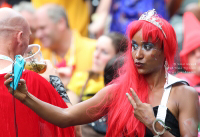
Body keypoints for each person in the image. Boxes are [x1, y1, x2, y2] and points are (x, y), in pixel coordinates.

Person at [4, 9, 199, 137]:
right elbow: (66, 118)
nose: (138, 54)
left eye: (147, 47)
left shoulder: (184, 94)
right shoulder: (118, 90)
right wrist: (26, 97)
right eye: (134, 46)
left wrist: (153, 124)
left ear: (165, 51)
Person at [0, 8, 74, 137]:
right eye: (30, 37)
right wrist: (54, 80)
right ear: (20, 37)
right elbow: (73, 128)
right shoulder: (30, 82)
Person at [34, 4, 96, 86]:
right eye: (36, 30)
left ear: (61, 23)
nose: (38, 35)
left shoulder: (94, 51)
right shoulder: (39, 59)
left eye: (42, 28)